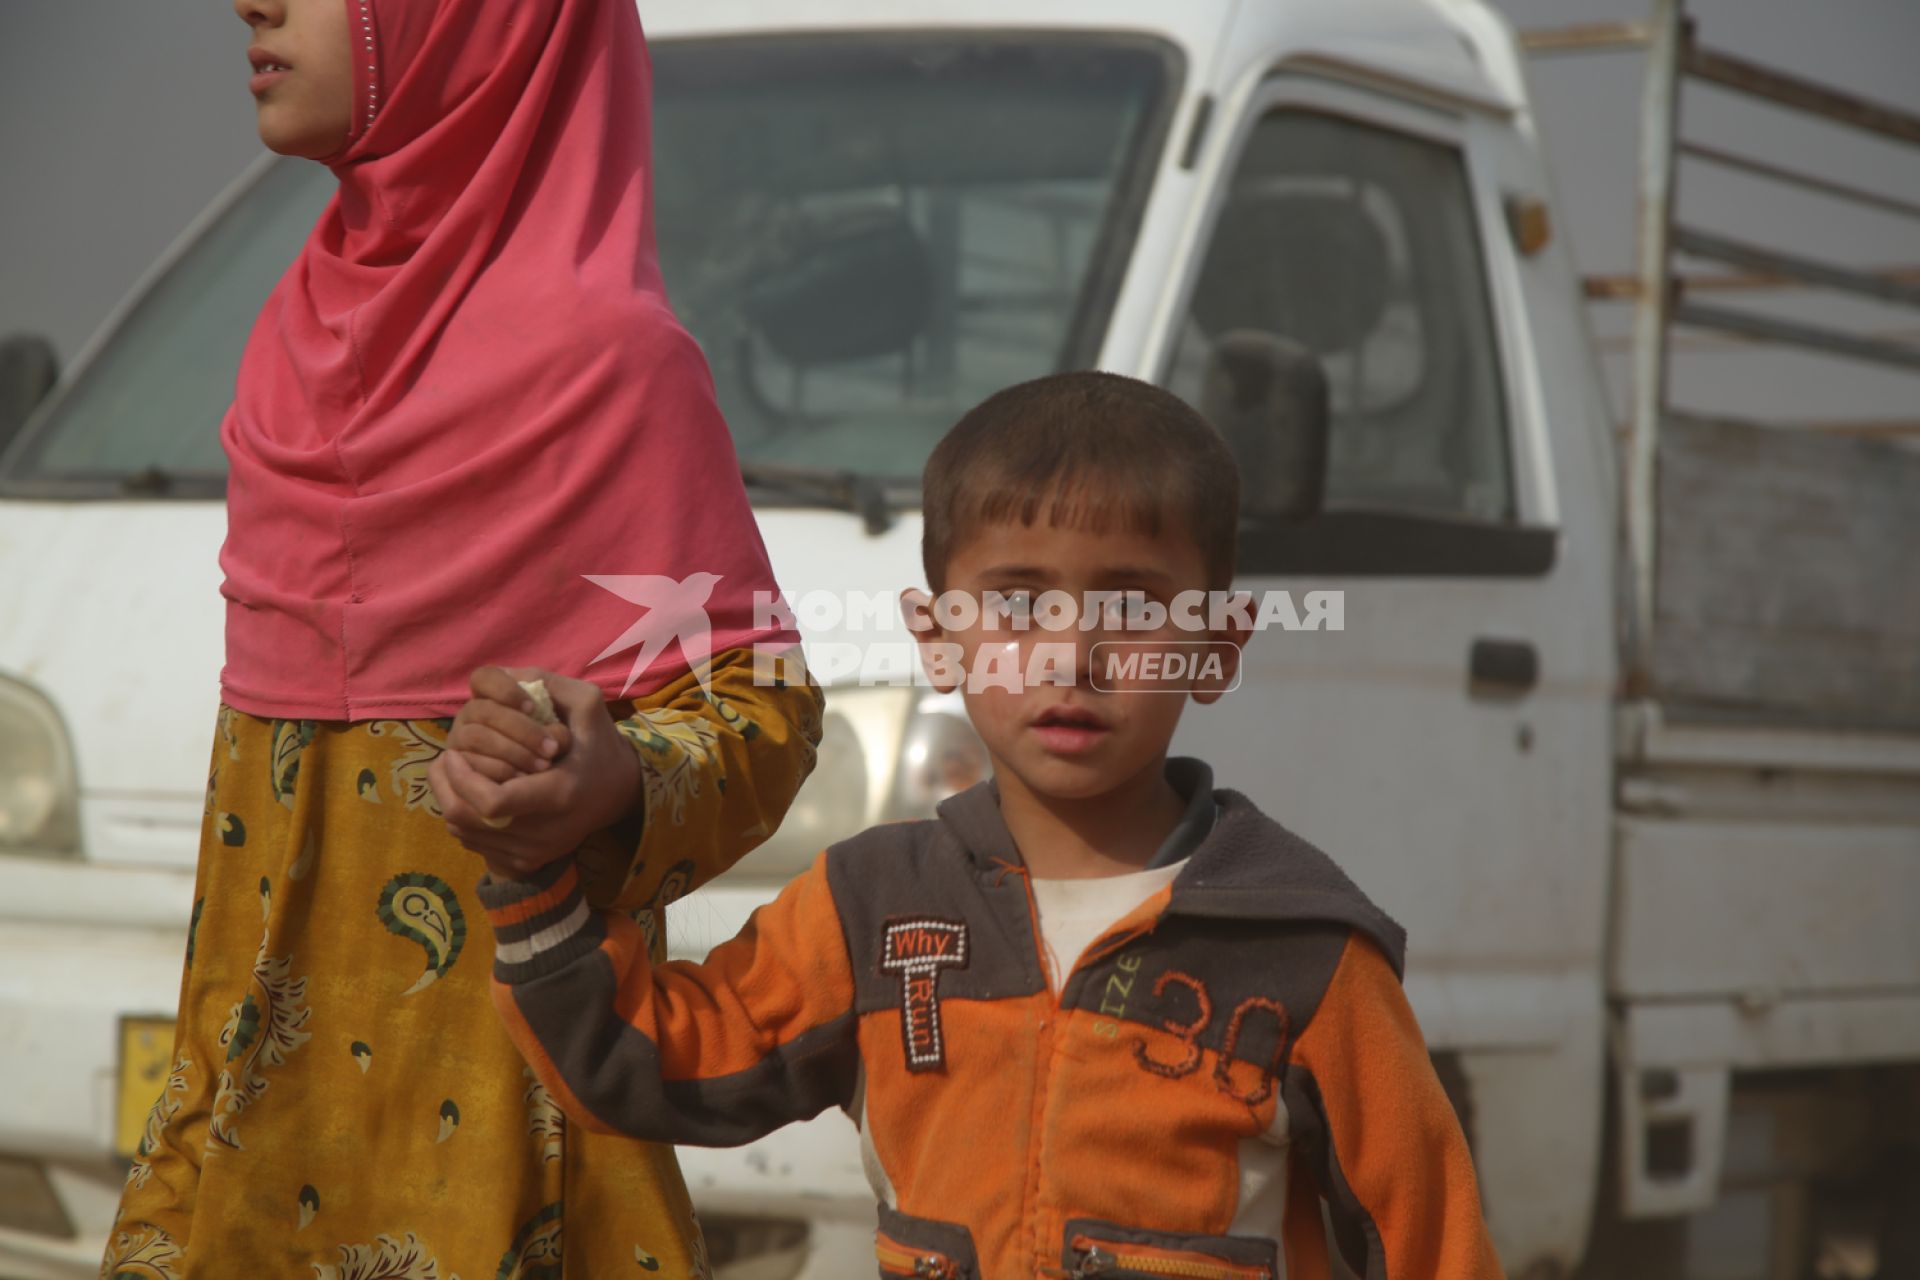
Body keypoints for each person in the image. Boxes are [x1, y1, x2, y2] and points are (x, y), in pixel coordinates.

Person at [449, 372, 1504, 1279]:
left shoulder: (1307, 955)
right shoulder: (871, 909)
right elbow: (645, 1062)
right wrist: (534, 862)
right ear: (938, 638)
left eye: (1133, 607)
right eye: (1016, 602)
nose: (1068, 654)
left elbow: (1434, 1245)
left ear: (1219, 645)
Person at [103, 0, 823, 1275]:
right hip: (244, 1163)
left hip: (502, 1164)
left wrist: (615, 782)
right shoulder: (291, 340)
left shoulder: (612, 363)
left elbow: (764, 701)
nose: (252, 5)